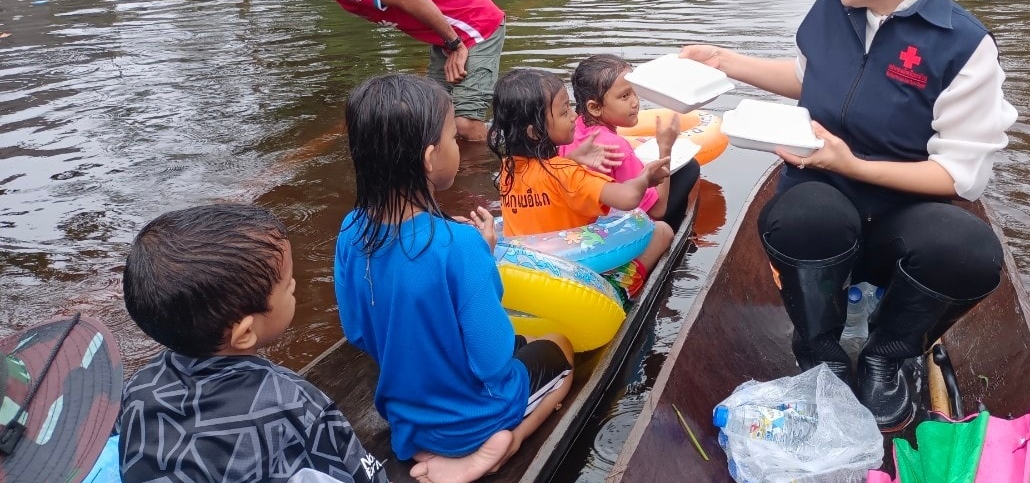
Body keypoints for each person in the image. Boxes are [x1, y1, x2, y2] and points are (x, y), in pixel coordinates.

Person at [680, 0, 1017, 432]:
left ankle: (890, 354)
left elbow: (960, 178)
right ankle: (820, 351)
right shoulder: (830, 11)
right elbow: (809, 77)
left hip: (899, 228)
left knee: (970, 249)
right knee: (802, 212)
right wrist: (725, 62)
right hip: (823, 222)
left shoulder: (963, 46)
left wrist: (852, 164)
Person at [333, 73, 575, 483]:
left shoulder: (351, 230)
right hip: (474, 422)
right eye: (453, 139)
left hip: (408, 422)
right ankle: (504, 445)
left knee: (522, 342)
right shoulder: (459, 244)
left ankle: (449, 444)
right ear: (429, 159)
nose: (457, 148)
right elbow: (493, 357)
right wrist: (482, 255)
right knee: (561, 349)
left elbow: (357, 332)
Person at [117, 204, 388, 483]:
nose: (294, 285)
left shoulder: (138, 386)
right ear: (244, 333)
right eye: (286, 285)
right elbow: (359, 472)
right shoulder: (292, 400)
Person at [202, 0, 505, 142]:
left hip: (474, 26)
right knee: (436, 117)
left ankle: (500, 166)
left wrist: (455, 44)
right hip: (448, 32)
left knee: (465, 124)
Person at [488, 68, 674, 298]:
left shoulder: (508, 169)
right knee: (661, 231)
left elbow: (543, 184)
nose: (574, 115)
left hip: (529, 274)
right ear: (535, 131)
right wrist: (645, 178)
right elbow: (628, 199)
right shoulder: (568, 174)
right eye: (565, 111)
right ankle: (621, 291)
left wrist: (571, 159)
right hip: (576, 277)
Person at [563, 54, 701, 230]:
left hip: (582, 219)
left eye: (635, 92)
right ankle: (667, 235)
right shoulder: (617, 146)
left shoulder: (570, 130)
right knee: (690, 168)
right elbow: (657, 210)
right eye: (624, 96)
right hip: (609, 227)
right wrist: (665, 148)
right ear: (595, 107)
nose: (635, 102)